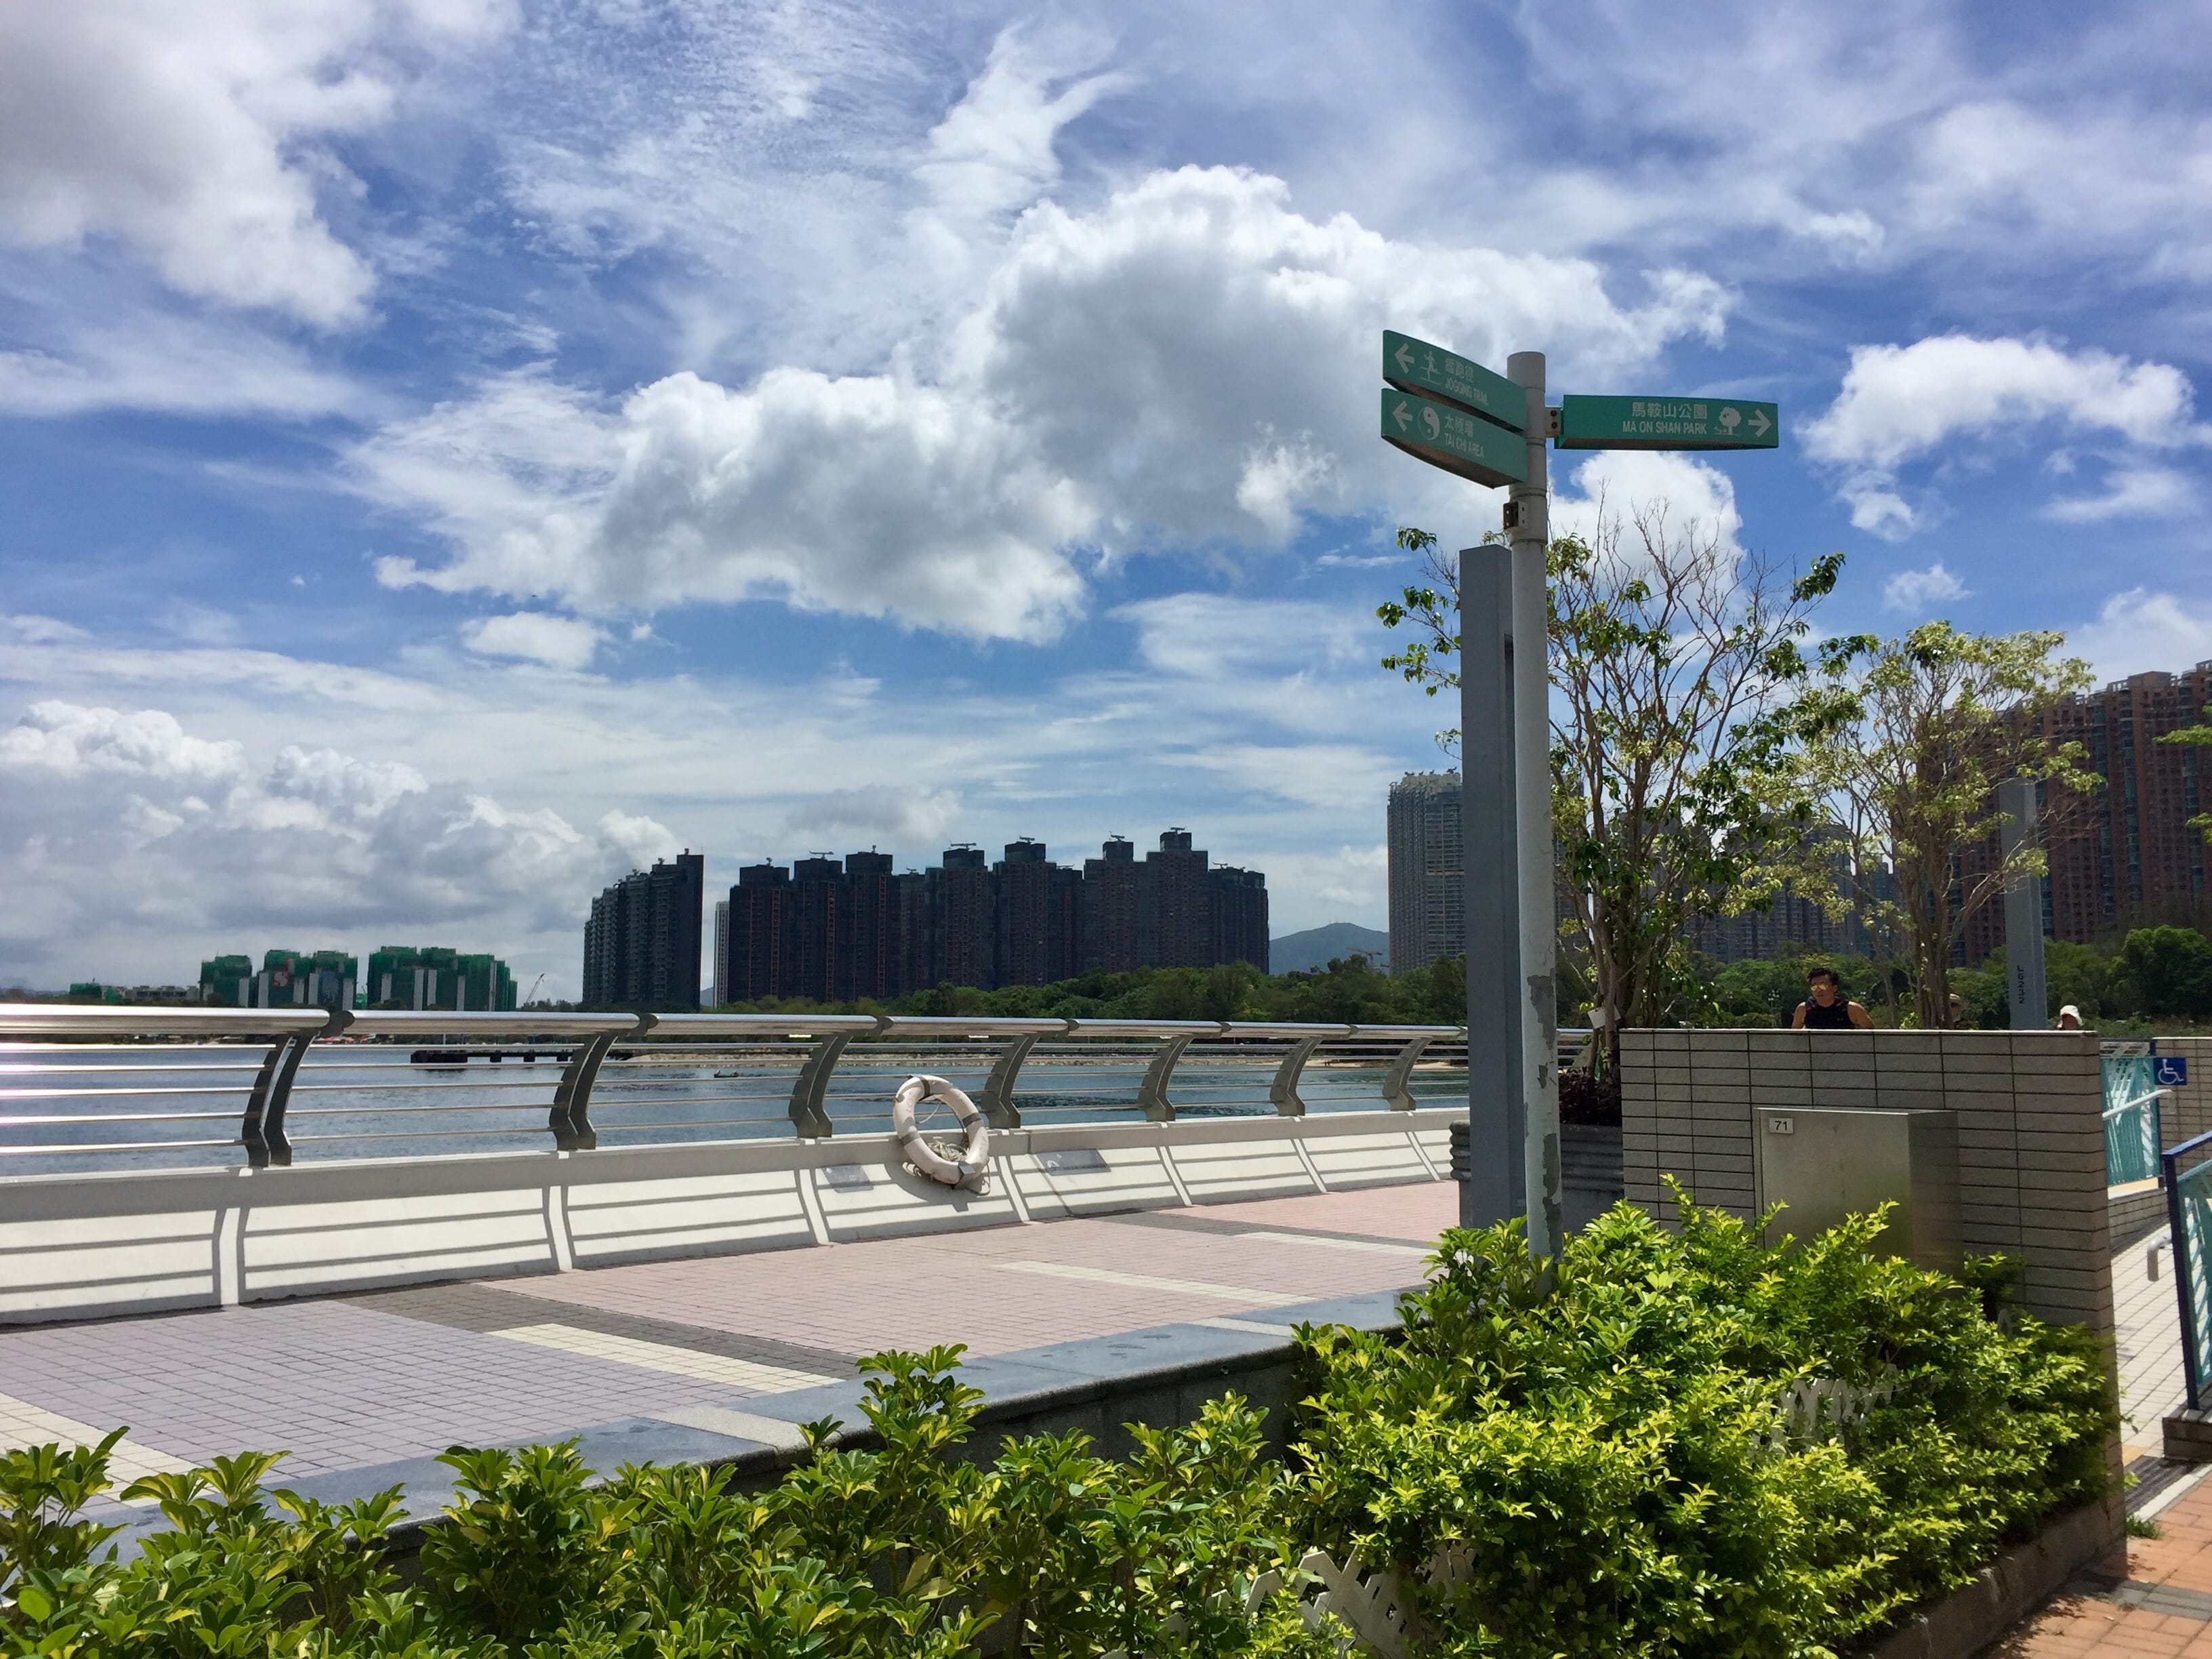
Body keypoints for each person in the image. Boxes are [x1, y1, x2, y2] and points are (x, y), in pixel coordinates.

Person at [1793, 966, 1874, 1029]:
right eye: (1814, 986)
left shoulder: (1852, 1009)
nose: (1818, 990)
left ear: (1834, 988)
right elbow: (1793, 1038)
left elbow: (1873, 1034)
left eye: (1822, 986)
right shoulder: (1803, 1009)